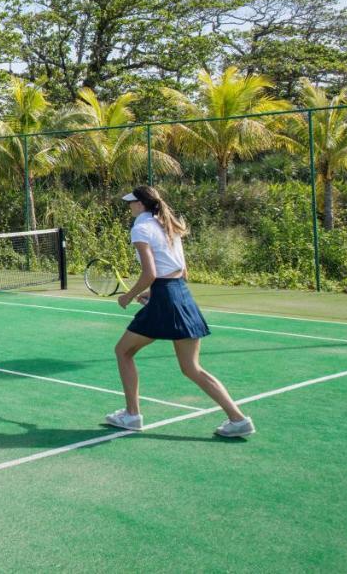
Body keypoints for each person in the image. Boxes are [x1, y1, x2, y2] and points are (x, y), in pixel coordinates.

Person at [105, 185, 256, 438]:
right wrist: (153, 294)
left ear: (141, 205)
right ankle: (238, 419)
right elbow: (180, 272)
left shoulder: (140, 228)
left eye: (131, 202)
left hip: (167, 297)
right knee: (191, 367)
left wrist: (128, 296)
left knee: (123, 351)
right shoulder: (168, 226)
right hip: (180, 294)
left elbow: (150, 273)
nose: (129, 206)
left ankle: (132, 415)